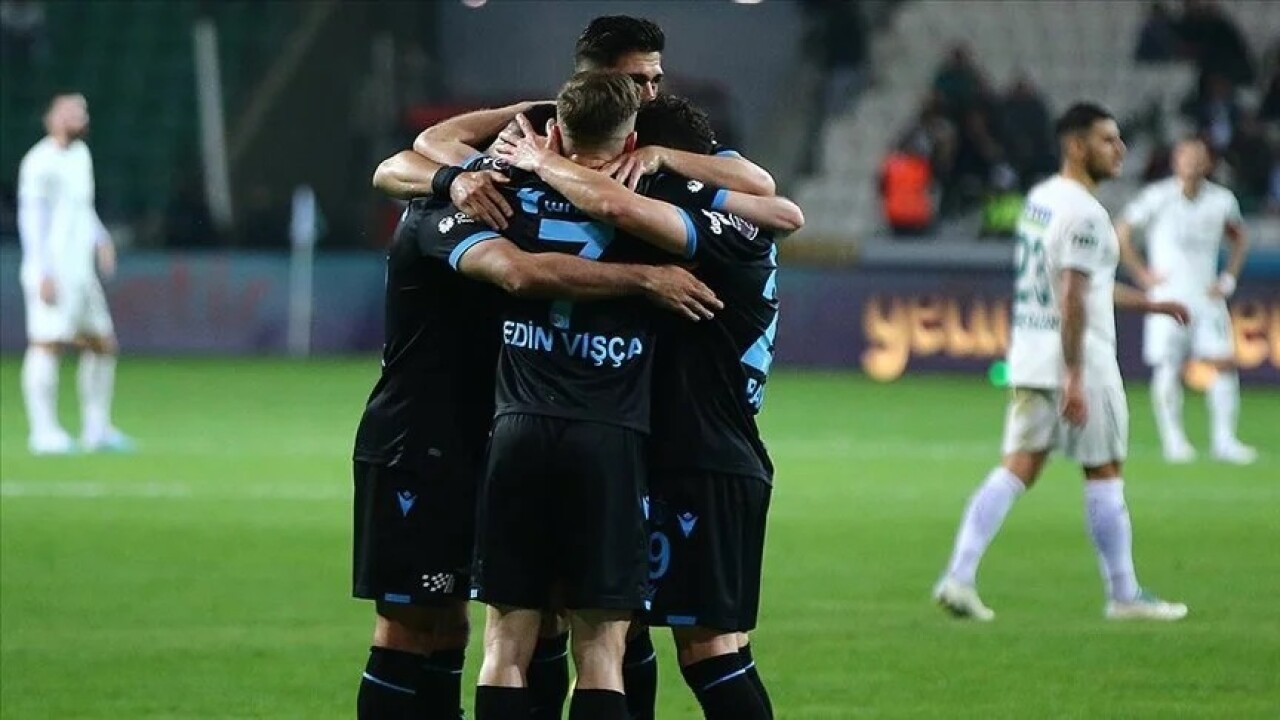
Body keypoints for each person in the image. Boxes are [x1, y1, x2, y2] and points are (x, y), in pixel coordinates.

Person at [351, 134, 720, 719]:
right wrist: (647, 279)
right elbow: (512, 267)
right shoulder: (447, 205)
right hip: (419, 443)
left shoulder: (530, 201)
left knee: (497, 622)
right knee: (412, 625)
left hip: (492, 437)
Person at [496, 94, 802, 720]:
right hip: (675, 451)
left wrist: (544, 160)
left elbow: (616, 205)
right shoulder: (724, 209)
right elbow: (778, 205)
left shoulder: (702, 224)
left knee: (710, 651)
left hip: (705, 462)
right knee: (622, 628)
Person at [933, 103, 1191, 623]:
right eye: (1107, 140)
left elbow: (1079, 287)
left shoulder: (1042, 200)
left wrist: (1152, 304)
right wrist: (1074, 376)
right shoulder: (1087, 215)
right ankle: (1123, 594)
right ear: (1076, 146)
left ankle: (958, 577)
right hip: (1080, 362)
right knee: (1105, 468)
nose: (1119, 149)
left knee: (1018, 466)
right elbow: (1073, 298)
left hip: (1031, 354)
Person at [1116, 136, 1255, 464]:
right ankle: (1174, 441)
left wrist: (1228, 278)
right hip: (1167, 297)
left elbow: (1239, 238)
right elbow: (1122, 232)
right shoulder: (1157, 197)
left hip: (1206, 297)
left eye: (1198, 157)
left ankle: (1224, 441)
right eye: (1186, 156)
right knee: (1168, 366)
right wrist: (1141, 274)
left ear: (1208, 163)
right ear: (1175, 161)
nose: (1191, 163)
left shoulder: (1222, 200)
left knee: (1223, 363)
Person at [17, 93, 132, 455]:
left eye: (81, 112)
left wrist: (101, 239)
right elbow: (32, 220)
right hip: (53, 271)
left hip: (82, 272)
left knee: (102, 344)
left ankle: (97, 429)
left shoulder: (81, 155)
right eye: (70, 112)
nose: (78, 117)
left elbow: (81, 207)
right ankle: (43, 432)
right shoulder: (39, 162)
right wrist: (42, 271)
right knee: (47, 345)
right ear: (51, 118)